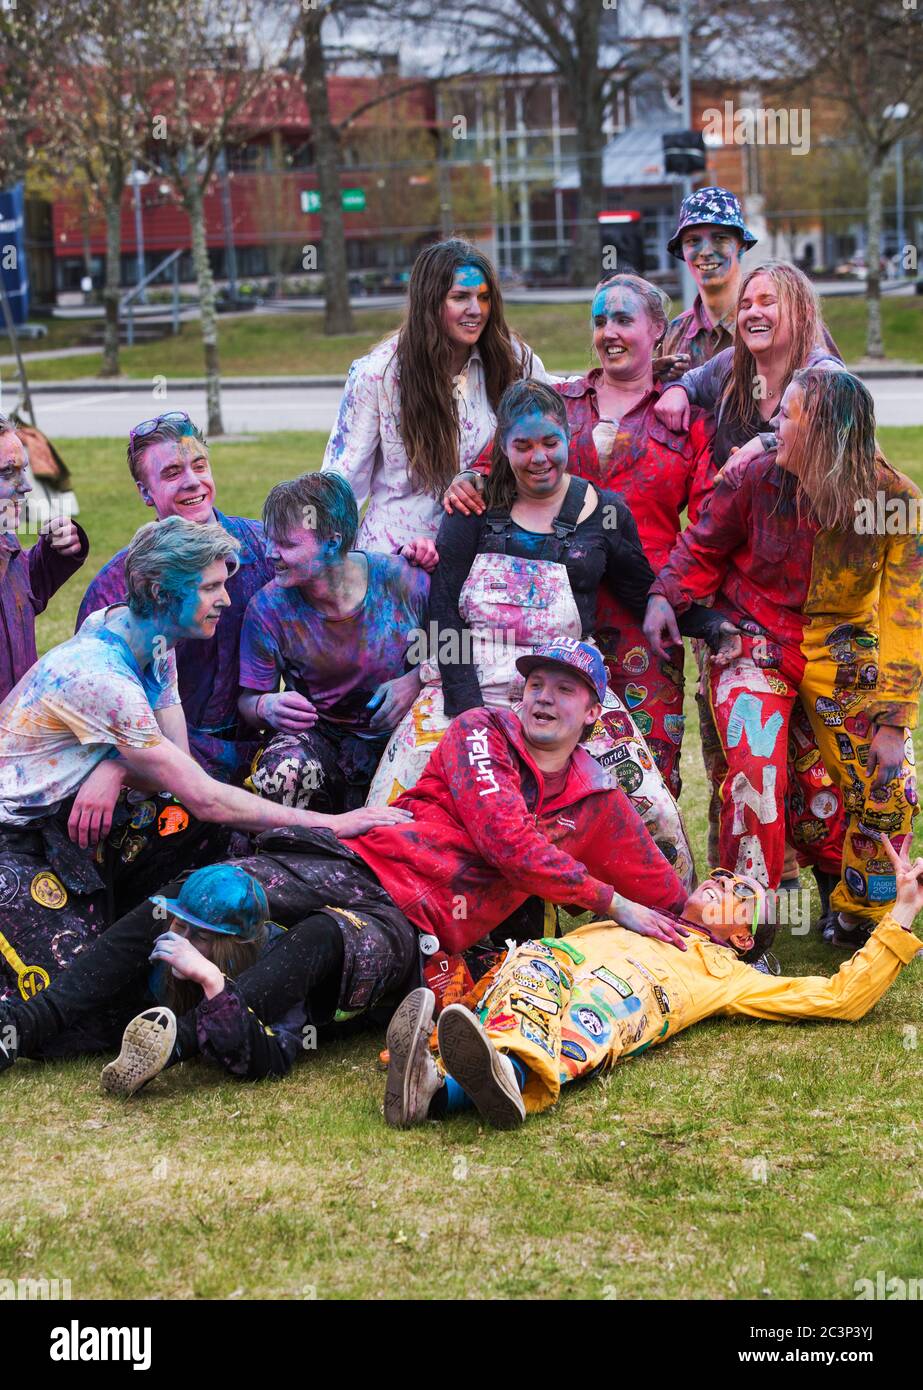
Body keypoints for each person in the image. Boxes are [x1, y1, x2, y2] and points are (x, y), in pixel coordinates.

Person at [0, 642, 693, 1083]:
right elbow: (506, 839)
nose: (541, 696)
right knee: (199, 891)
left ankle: (173, 1043)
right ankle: (25, 1027)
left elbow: (662, 893)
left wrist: (724, 937)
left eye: (562, 689)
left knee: (327, 938)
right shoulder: (480, 731)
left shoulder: (598, 804)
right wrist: (614, 903)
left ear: (592, 713)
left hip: (417, 923)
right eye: (534, 682)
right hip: (362, 862)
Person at [0, 517, 409, 1004]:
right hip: (17, 838)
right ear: (159, 592)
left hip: (75, 826)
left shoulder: (147, 637)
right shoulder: (99, 674)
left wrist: (115, 766)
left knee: (209, 838)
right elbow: (205, 795)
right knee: (89, 1002)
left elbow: (180, 766)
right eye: (211, 587)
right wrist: (337, 823)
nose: (227, 600)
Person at [369, 380, 734, 886]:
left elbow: (641, 592)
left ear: (567, 440)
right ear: (503, 447)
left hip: (566, 686)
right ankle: (389, 925)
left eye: (549, 443)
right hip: (468, 681)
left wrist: (710, 623)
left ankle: (679, 924)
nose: (538, 458)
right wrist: (468, 709)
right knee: (398, 804)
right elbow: (443, 612)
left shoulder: (603, 511)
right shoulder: (472, 510)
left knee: (652, 813)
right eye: (522, 446)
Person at [384, 834, 923, 1129]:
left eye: (738, 893)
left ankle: (456, 1083)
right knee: (537, 967)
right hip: (549, 966)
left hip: (618, 1008)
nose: (721, 881)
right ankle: (439, 1088)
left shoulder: (729, 976)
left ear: (741, 939)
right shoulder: (635, 914)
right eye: (720, 876)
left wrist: (899, 913)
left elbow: (839, 997)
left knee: (584, 1027)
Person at [646, 367, 922, 943]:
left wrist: (893, 720)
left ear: (821, 431)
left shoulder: (895, 501)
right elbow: (700, 546)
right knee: (755, 774)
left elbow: (906, 616)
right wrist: (662, 598)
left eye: (787, 415)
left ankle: (860, 910)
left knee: (889, 780)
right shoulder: (754, 474)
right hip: (754, 636)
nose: (773, 424)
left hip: (845, 644)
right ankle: (745, 928)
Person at [444, 273, 719, 799]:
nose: (609, 332)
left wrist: (672, 595)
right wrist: (467, 481)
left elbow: (710, 522)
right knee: (539, 767)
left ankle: (645, 881)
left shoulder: (687, 421)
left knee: (643, 774)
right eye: (599, 321)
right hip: (554, 622)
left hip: (646, 615)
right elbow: (495, 468)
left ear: (658, 329)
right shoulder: (560, 404)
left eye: (622, 319)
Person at [655, 261, 846, 888]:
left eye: (770, 302)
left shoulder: (824, 379)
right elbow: (709, 372)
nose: (755, 313)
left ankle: (850, 896)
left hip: (816, 615)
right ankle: (754, 899)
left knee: (823, 771)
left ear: (802, 312)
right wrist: (681, 390)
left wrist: (763, 447)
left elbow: (838, 434)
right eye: (746, 304)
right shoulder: (737, 377)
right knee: (741, 759)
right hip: (740, 605)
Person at [76, 411, 275, 783]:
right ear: (145, 493)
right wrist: (115, 769)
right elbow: (96, 707)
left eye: (199, 465)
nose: (192, 482)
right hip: (161, 763)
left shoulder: (265, 548)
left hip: (258, 748)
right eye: (171, 473)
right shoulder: (114, 588)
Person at [321, 238, 547, 554]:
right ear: (430, 301)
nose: (475, 310)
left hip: (485, 553)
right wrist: (327, 567)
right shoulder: (379, 373)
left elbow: (558, 409)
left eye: (483, 298)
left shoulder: (513, 359)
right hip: (398, 562)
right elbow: (342, 481)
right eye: (460, 297)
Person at [239, 472, 429, 812]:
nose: (271, 554)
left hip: (405, 733)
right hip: (322, 740)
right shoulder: (268, 609)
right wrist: (265, 707)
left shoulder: (402, 580)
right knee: (279, 776)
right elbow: (249, 701)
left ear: (332, 541)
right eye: (270, 540)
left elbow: (458, 646)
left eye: (287, 544)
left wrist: (414, 681)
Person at [0, 413, 88, 703]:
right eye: (6, 473)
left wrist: (54, 553)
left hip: (18, 733)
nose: (25, 486)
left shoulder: (6, 539)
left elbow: (22, 599)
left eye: (23, 470)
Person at [656, 185, 758, 381]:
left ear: (742, 245)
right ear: (682, 252)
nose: (705, 252)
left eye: (720, 238)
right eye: (693, 241)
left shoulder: (776, 323)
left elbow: (830, 393)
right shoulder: (674, 336)